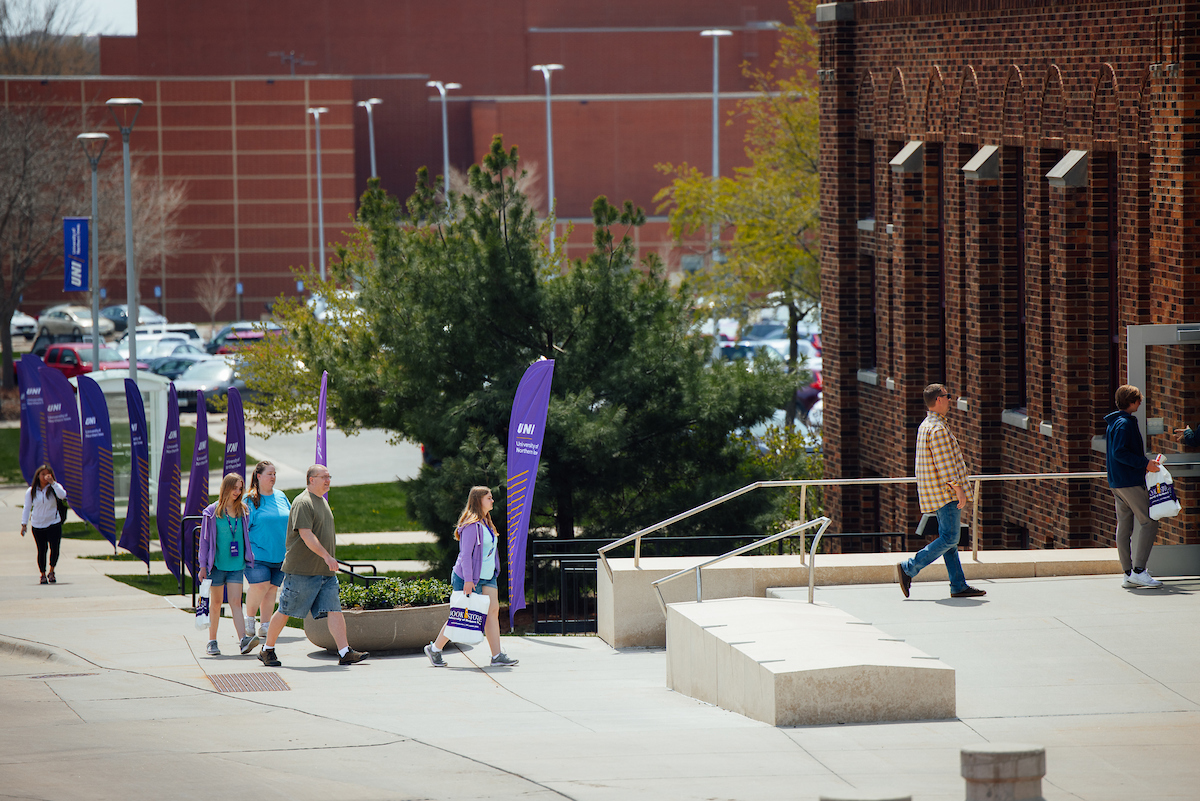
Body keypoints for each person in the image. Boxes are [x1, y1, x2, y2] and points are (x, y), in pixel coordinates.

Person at [258, 465, 367, 667]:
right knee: (286, 610)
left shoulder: (321, 502)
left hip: (324, 572)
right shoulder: (303, 502)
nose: (328, 480)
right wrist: (327, 556)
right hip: (302, 571)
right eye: (323, 477)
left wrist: (327, 560)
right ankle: (267, 650)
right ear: (311, 479)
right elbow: (306, 534)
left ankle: (345, 652)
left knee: (334, 609)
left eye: (329, 477)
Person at [896, 384, 987, 599]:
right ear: (938, 400)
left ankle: (958, 584)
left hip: (937, 492)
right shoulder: (937, 429)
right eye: (947, 396)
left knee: (950, 541)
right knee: (950, 538)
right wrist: (959, 490)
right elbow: (945, 465)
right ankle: (909, 567)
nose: (950, 400)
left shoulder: (927, 425)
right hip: (946, 493)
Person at [424, 486, 519, 668]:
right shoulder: (470, 525)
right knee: (460, 615)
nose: (492, 500)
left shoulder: (487, 522)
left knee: (492, 612)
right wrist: (468, 580)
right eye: (489, 498)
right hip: (468, 577)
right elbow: (466, 555)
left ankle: (497, 655)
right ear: (479, 500)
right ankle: (435, 649)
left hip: (487, 576)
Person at [1107, 385, 1165, 588]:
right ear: (1131, 402)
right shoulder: (1125, 424)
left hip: (1117, 482)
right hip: (1129, 482)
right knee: (1149, 521)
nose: (1140, 402)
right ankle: (1139, 571)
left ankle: (1128, 573)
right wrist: (1145, 464)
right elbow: (1119, 452)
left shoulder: (1115, 422)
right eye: (1139, 400)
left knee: (1124, 526)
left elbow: (1118, 453)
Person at [198, 473, 260, 656]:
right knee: (216, 603)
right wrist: (202, 566)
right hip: (216, 566)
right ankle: (212, 641)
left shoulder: (243, 511)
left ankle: (243, 640)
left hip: (236, 566)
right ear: (226, 488)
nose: (238, 491)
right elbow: (204, 542)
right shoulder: (211, 512)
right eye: (234, 488)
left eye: (240, 488)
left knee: (235, 602)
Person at [243, 461, 290, 638]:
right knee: (260, 586)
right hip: (258, 554)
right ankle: (249, 619)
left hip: (279, 555)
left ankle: (265, 625)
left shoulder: (281, 496)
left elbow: (291, 519)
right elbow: (243, 529)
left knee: (271, 590)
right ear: (258, 476)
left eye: (275, 474)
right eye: (269, 474)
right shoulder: (250, 500)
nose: (273, 477)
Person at [20, 465, 67, 585]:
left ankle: (52, 571)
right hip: (38, 524)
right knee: (42, 549)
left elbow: (62, 495)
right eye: (43, 474)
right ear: (38, 476)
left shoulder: (55, 487)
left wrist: (53, 483)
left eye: (48, 474)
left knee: (54, 548)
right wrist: (24, 524)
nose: (46, 476)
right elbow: (27, 507)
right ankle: (42, 574)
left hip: (53, 522)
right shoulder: (31, 491)